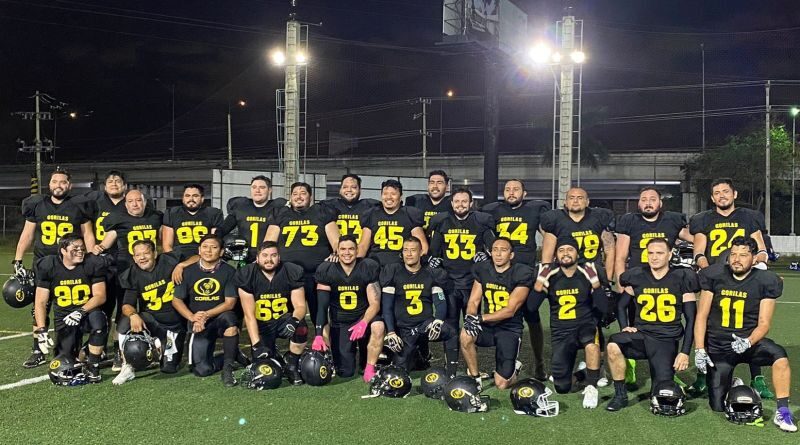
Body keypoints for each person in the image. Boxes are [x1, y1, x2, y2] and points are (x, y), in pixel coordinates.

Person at [694, 237, 795, 432]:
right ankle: (733, 384)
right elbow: (701, 316)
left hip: (749, 342)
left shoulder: (765, 280)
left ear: (754, 258)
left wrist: (748, 341)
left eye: (743, 255)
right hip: (719, 346)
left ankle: (783, 411)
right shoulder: (714, 275)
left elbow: (764, 323)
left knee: (780, 357)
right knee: (718, 406)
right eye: (733, 254)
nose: (736, 259)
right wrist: (699, 348)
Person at [688, 178, 771, 397]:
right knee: (707, 324)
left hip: (745, 279)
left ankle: (757, 377)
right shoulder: (703, 219)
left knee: (750, 323)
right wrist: (710, 272)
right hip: (716, 281)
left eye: (725, 191)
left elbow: (761, 249)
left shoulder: (749, 217)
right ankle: (702, 375)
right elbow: (699, 252)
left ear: (734, 194)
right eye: (717, 193)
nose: (721, 195)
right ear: (712, 197)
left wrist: (759, 264)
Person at [14, 168, 95, 368]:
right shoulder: (37, 204)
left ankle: (74, 345)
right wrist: (18, 259)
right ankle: (38, 349)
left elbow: (87, 234)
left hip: (70, 264)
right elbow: (27, 234)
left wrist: (91, 258)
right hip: (44, 263)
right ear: (49, 184)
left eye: (63, 182)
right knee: (39, 307)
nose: (58, 185)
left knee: (72, 303)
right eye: (55, 181)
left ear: (69, 185)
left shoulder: (78, 205)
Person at [606, 238, 698, 411]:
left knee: (662, 393)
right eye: (651, 253)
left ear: (670, 255)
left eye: (659, 253)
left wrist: (685, 352)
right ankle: (620, 395)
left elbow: (691, 319)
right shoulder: (637, 276)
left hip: (666, 340)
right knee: (613, 345)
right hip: (642, 335)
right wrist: (625, 326)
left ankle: (670, 382)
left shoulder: (682, 278)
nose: (654, 257)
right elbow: (621, 305)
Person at [613, 186, 691, 386]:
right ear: (639, 203)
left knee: (669, 325)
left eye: (652, 199)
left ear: (660, 203)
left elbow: (697, 238)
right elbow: (620, 256)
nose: (648, 203)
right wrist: (621, 283)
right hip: (637, 283)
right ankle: (629, 364)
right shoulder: (630, 221)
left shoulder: (672, 221)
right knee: (634, 326)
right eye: (644, 199)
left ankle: (668, 367)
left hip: (666, 280)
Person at [482, 179, 550, 379]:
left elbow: (548, 235)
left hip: (525, 272)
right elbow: (484, 234)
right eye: (507, 189)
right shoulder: (494, 211)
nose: (511, 193)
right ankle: (505, 363)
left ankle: (539, 362)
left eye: (516, 189)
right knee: (501, 316)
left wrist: (545, 263)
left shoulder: (534, 210)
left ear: (524, 193)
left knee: (531, 315)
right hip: (501, 273)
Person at [92, 189, 164, 370]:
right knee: (123, 310)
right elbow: (106, 242)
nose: (135, 204)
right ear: (125, 204)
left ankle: (154, 344)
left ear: (145, 202)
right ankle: (119, 349)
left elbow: (164, 238)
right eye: (131, 201)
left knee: (153, 307)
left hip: (151, 271)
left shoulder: (155, 217)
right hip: (127, 271)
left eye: (138, 200)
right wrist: (98, 249)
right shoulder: (118, 219)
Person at [531, 238, 606, 409]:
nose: (565, 253)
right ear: (556, 255)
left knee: (591, 345)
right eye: (561, 250)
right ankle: (587, 373)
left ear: (577, 253)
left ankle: (591, 387)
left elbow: (603, 307)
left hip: (584, 326)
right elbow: (531, 307)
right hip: (561, 332)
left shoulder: (587, 271)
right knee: (562, 387)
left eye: (570, 249)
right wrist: (539, 283)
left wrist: (596, 284)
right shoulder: (550, 274)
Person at [428, 187, 495, 374]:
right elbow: (433, 253)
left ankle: (471, 368)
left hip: (472, 283)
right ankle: (451, 367)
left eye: (464, 201)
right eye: (457, 201)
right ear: (451, 203)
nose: (460, 205)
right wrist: (434, 260)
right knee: (450, 325)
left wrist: (486, 256)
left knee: (471, 325)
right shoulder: (442, 222)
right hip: (449, 283)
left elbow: (494, 248)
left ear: (471, 203)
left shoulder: (480, 222)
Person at [113, 239, 198, 384]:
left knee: (169, 368)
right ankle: (127, 366)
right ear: (134, 258)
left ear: (155, 253)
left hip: (175, 325)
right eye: (138, 255)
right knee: (125, 321)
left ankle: (158, 345)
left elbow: (198, 256)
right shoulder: (133, 274)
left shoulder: (169, 260)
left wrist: (182, 265)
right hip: (152, 321)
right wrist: (133, 315)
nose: (142, 257)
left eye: (146, 253)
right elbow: (127, 304)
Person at [33, 233, 108, 382]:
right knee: (65, 361)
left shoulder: (92, 263)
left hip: (86, 313)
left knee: (99, 321)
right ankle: (85, 350)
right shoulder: (49, 265)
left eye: (82, 248)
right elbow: (40, 302)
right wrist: (41, 329)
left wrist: (80, 311)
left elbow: (100, 296)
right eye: (75, 248)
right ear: (63, 250)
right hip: (64, 318)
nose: (80, 251)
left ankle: (93, 367)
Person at [460, 237, 532, 390]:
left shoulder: (521, 272)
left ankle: (514, 368)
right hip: (488, 326)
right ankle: (475, 378)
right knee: (466, 333)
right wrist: (470, 317)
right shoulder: (482, 269)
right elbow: (473, 301)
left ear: (511, 255)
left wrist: (480, 318)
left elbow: (510, 310)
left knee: (502, 384)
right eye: (495, 250)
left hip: (509, 329)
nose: (498, 254)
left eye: (503, 250)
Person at [265, 181, 339, 326]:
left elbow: (336, 241)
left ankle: (322, 340)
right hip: (287, 274)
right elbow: (268, 244)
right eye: (295, 194)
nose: (298, 197)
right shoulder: (281, 214)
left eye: (303, 193)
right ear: (290, 197)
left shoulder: (322, 212)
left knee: (319, 314)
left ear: (310, 197)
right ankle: (295, 339)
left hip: (316, 273)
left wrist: (336, 253)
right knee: (287, 315)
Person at [235, 241, 308, 385]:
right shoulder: (247, 274)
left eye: (273, 255)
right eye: (265, 255)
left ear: (279, 257)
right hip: (262, 326)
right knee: (267, 372)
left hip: (283, 321)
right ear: (257, 258)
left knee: (301, 327)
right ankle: (275, 355)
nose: (269, 259)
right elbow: (249, 315)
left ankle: (292, 365)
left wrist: (294, 320)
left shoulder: (291, 271)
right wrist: (256, 345)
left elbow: (300, 306)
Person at [313, 235, 385, 382]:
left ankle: (370, 367)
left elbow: (375, 303)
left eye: (351, 249)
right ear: (337, 251)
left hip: (364, 319)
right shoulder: (327, 269)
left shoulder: (367, 267)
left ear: (357, 250)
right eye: (343, 249)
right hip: (341, 322)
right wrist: (319, 334)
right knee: (345, 372)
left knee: (378, 326)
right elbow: (322, 307)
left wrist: (364, 322)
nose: (347, 253)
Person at [171, 234, 240, 386]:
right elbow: (176, 300)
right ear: (199, 250)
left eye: (214, 247)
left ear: (221, 252)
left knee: (230, 320)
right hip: (198, 323)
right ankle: (231, 355)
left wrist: (206, 315)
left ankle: (228, 368)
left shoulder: (230, 271)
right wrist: (192, 317)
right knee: (201, 370)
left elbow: (229, 303)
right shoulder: (187, 271)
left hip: (219, 319)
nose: (208, 251)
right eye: (205, 247)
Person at [380, 236, 454, 373]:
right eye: (405, 250)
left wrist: (438, 320)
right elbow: (387, 307)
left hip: (425, 325)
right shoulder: (393, 272)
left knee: (450, 332)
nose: (408, 254)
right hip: (404, 329)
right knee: (400, 369)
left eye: (413, 250)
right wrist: (391, 331)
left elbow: (440, 301)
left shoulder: (431, 273)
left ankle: (451, 371)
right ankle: (419, 355)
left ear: (420, 252)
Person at [358, 179, 427, 266]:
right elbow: (363, 246)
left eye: (393, 194)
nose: (389, 197)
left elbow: (422, 246)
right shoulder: (371, 214)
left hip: (401, 265)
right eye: (385, 194)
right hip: (375, 264)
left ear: (400, 196)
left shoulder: (410, 214)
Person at [219, 175, 287, 262]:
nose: (257, 190)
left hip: (267, 258)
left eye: (262, 187)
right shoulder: (241, 207)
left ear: (269, 190)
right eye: (254, 187)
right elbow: (223, 230)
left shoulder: (277, 207)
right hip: (243, 257)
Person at [162, 184, 223, 260]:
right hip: (177, 257)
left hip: (203, 257)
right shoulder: (172, 213)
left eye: (195, 196)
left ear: (202, 199)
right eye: (187, 196)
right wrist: (173, 261)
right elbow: (167, 246)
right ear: (183, 198)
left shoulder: (213, 213)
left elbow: (214, 244)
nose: (191, 199)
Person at [321, 174, 380, 244]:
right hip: (337, 249)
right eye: (345, 187)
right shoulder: (328, 206)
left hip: (362, 249)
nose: (349, 190)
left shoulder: (370, 206)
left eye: (354, 187)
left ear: (360, 190)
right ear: (340, 190)